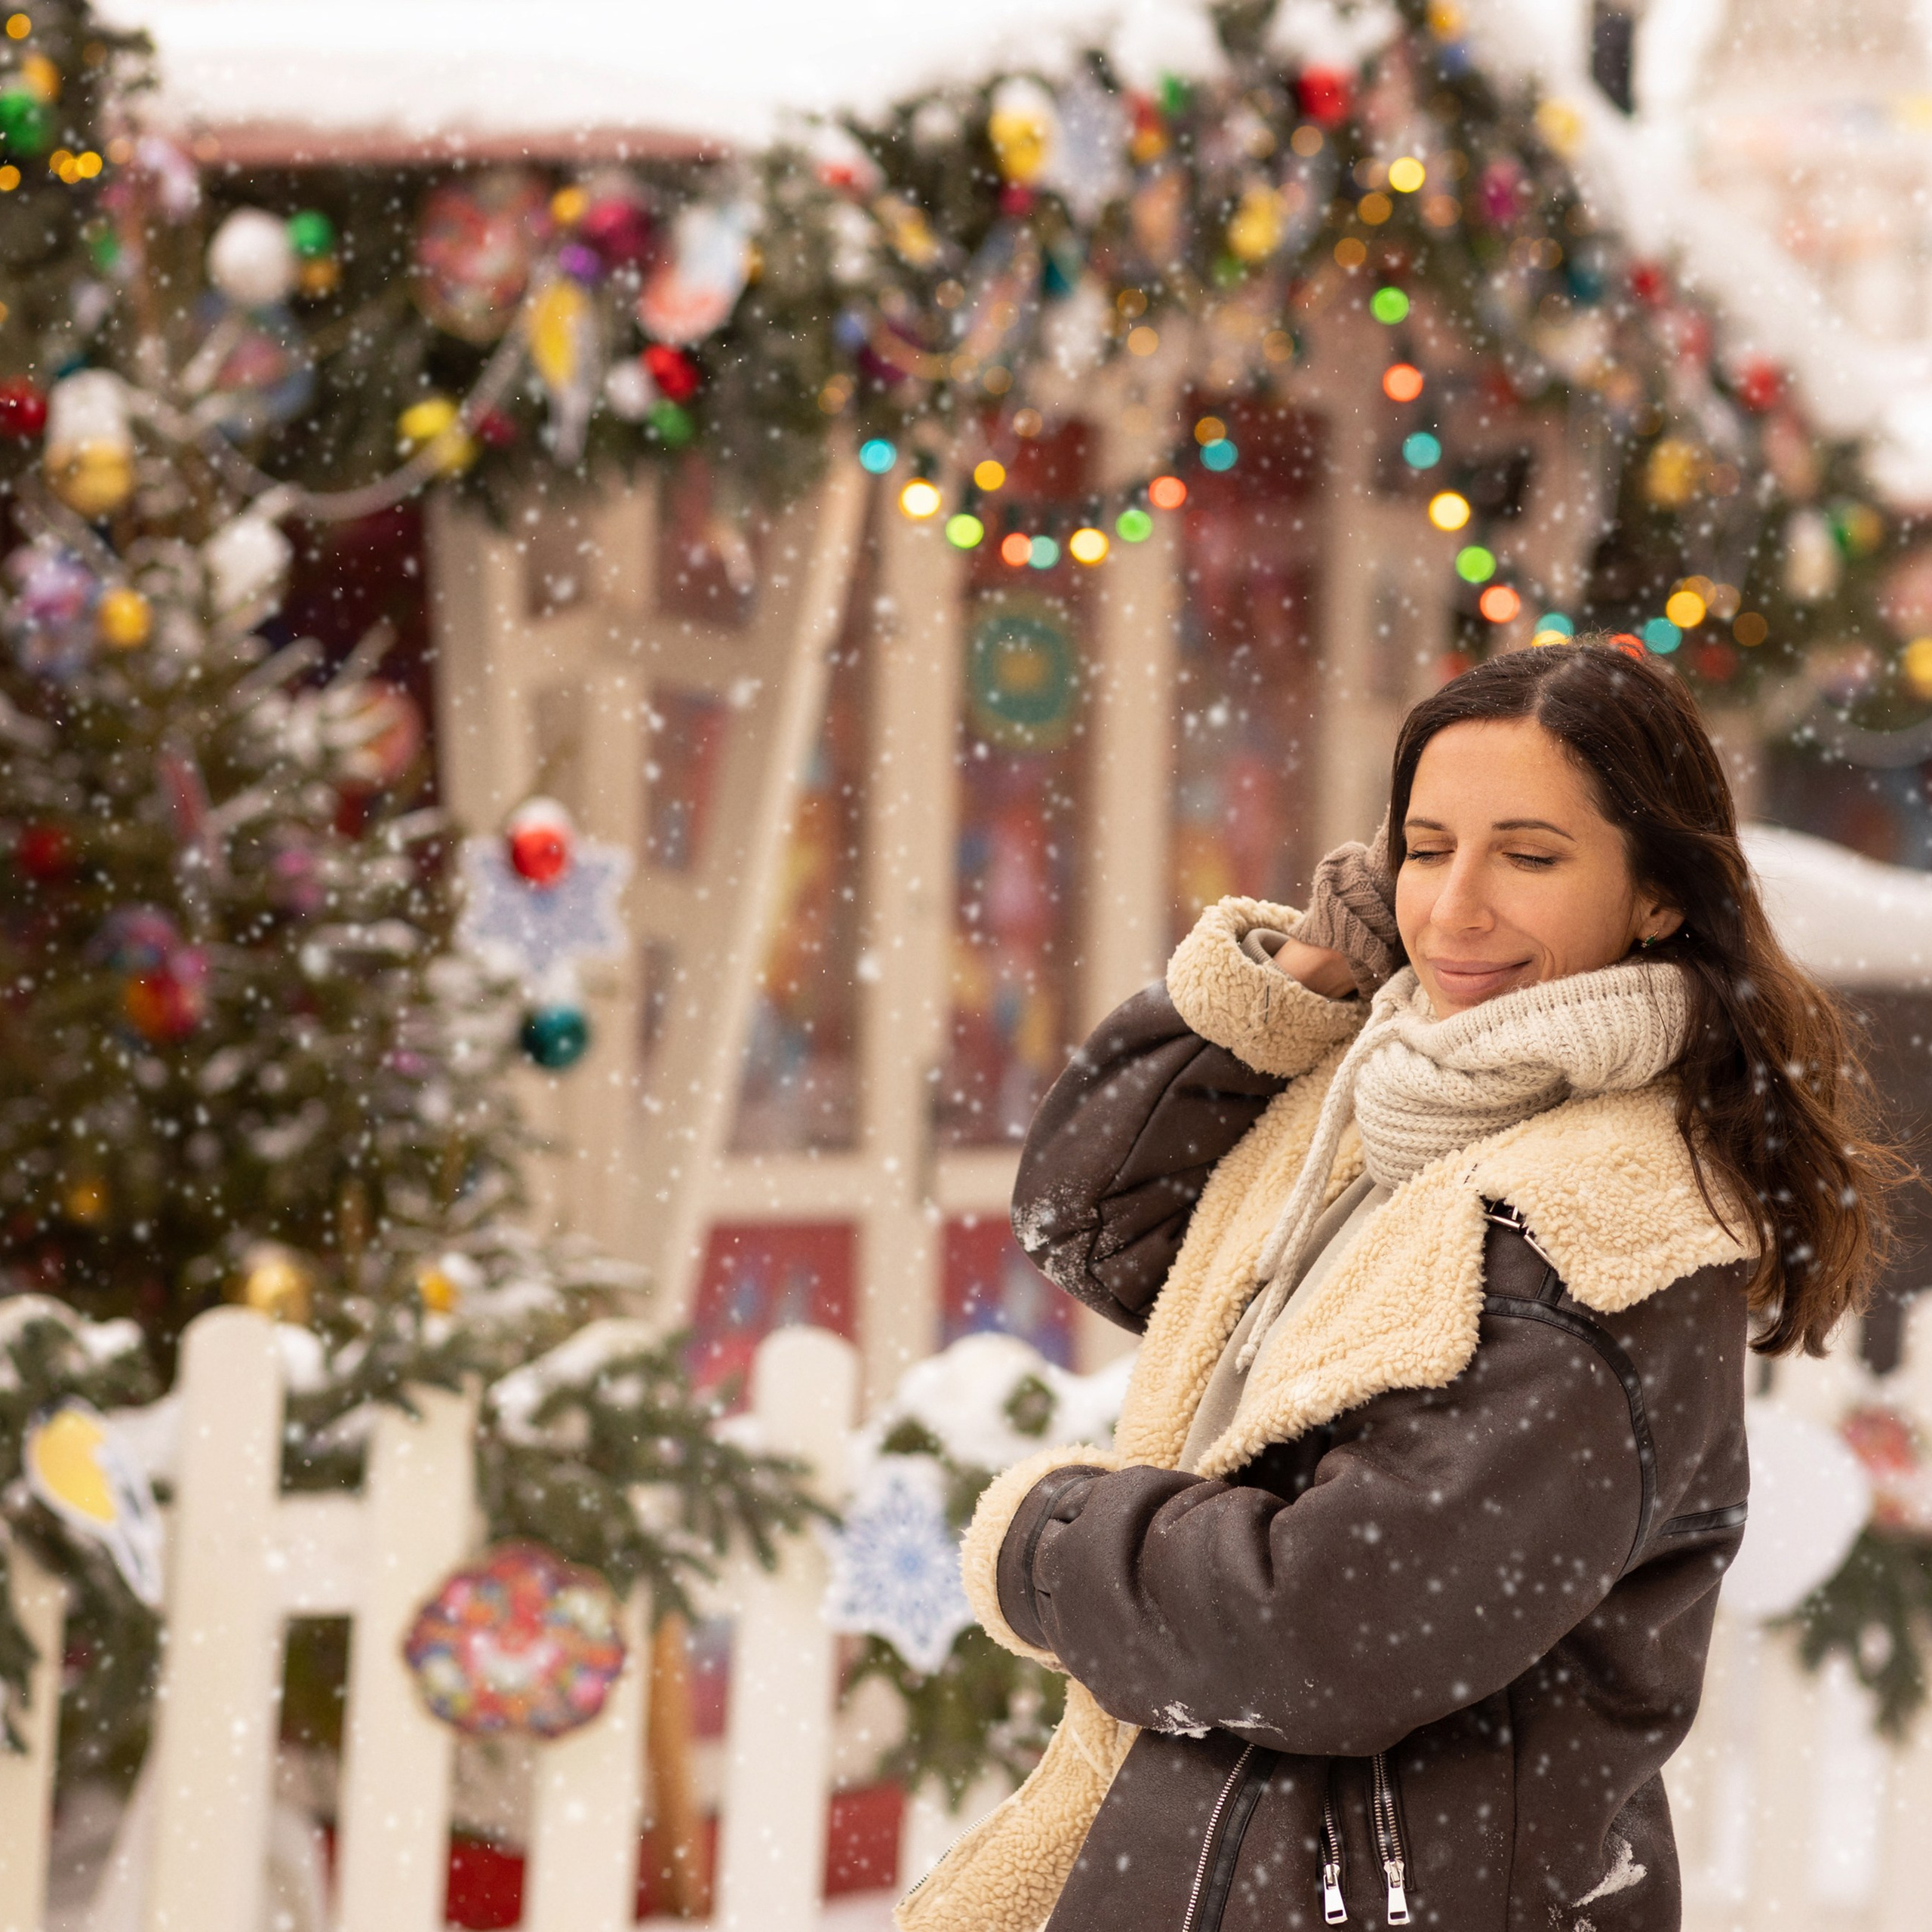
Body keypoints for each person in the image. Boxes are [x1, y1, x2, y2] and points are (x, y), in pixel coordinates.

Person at [897, 641, 1903, 1932]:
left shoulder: (1609, 1225)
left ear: (1657, 893)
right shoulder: (1381, 1105)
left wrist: (1052, 1542)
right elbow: (1091, 1217)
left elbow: (1329, 1631)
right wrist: (1307, 977)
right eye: (1427, 850)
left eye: (1530, 856)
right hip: (1240, 1862)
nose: (1457, 909)